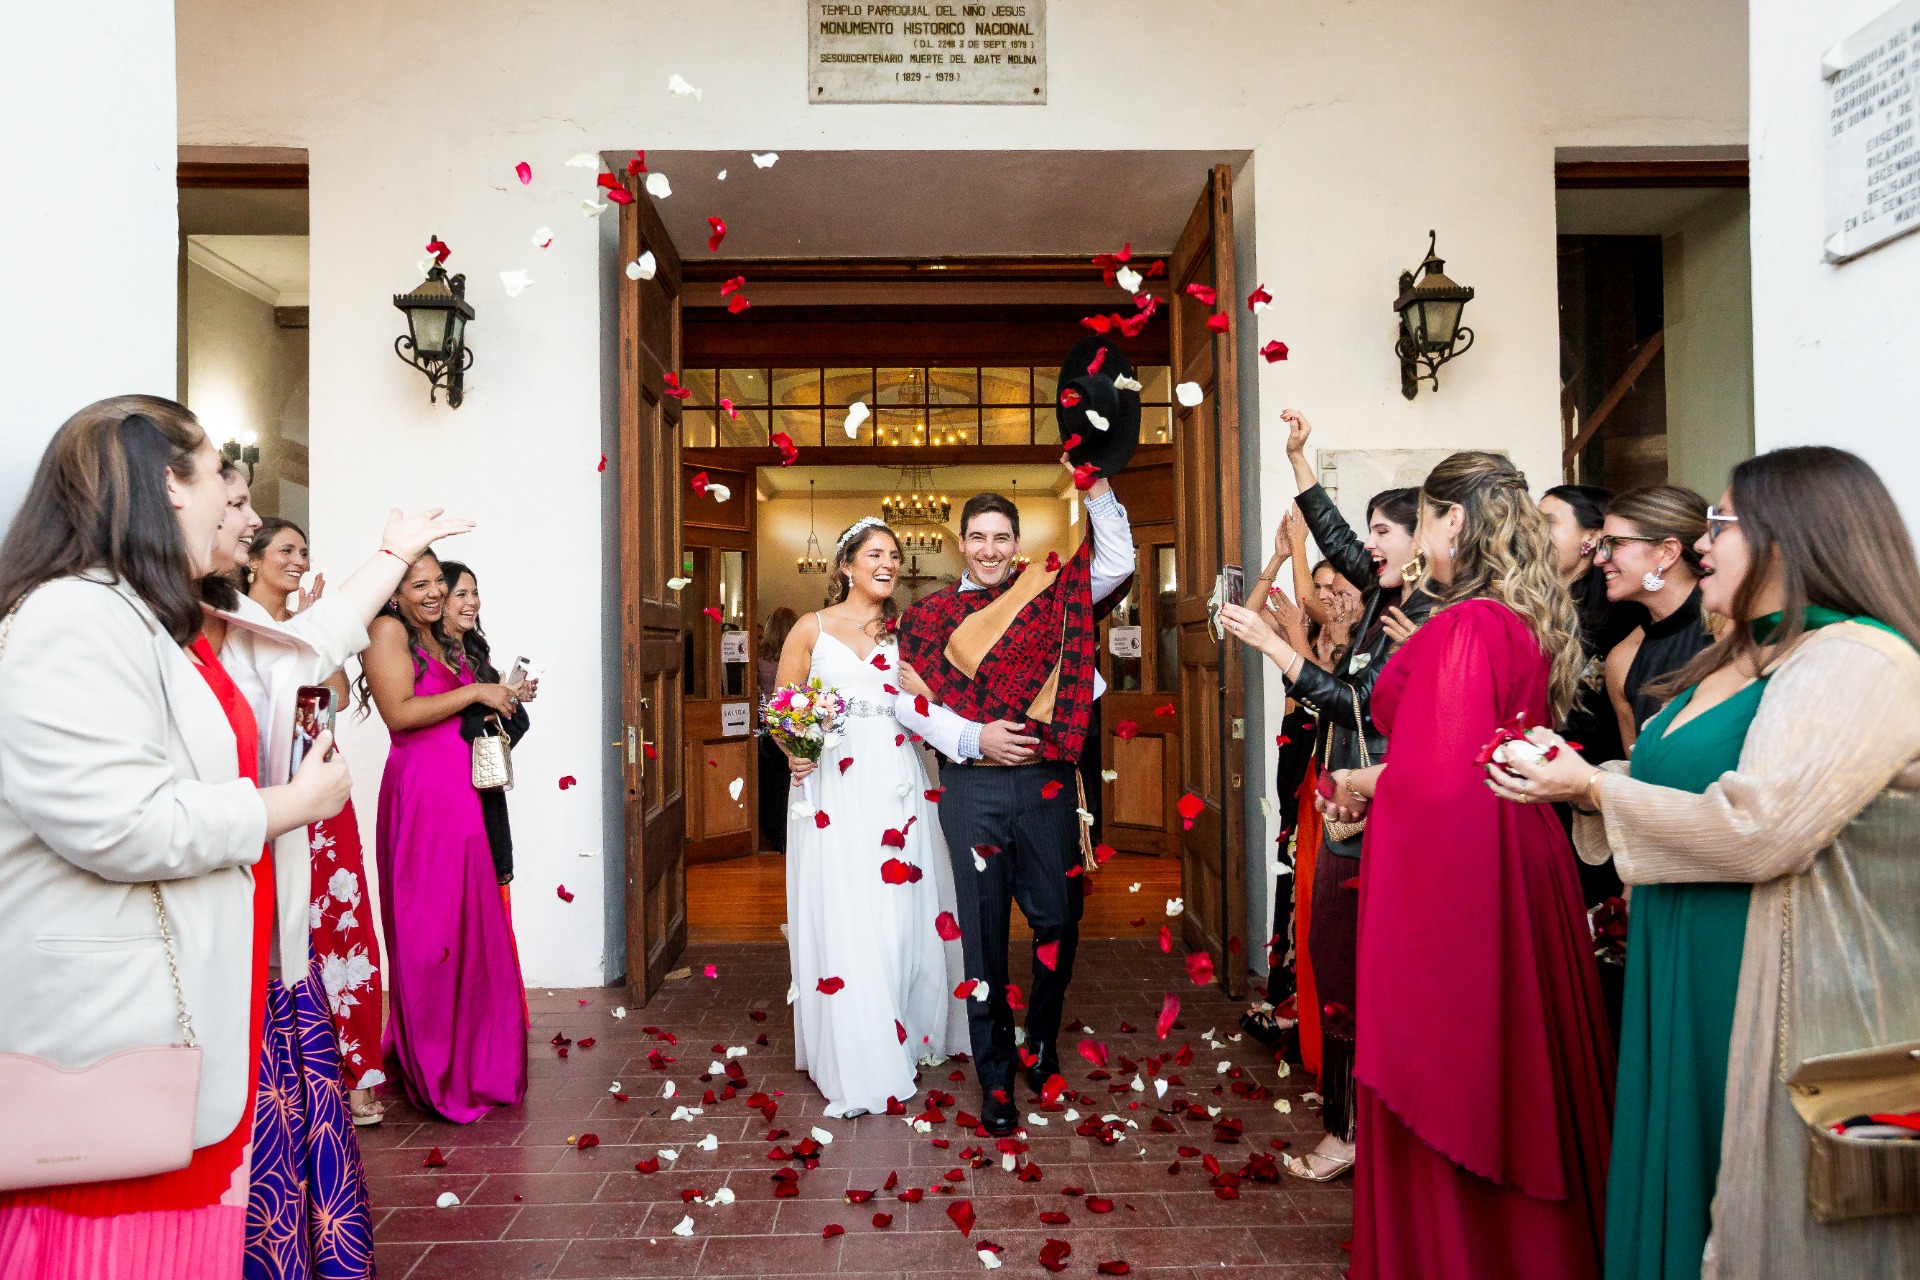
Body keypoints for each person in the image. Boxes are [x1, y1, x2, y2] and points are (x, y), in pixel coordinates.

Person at [1490, 446, 1920, 1279]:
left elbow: (1761, 828)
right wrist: (1582, 785)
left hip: (1761, 976)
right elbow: (1686, 784)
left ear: (1790, 538)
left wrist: (1594, 788)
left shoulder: (1856, 659)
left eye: (1721, 524)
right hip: (1685, 953)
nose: (1702, 544)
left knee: (1749, 1196)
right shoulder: (1756, 654)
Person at [0, 396, 352, 1278]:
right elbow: (120, 822)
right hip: (112, 1033)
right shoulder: (72, 616)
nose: (238, 499)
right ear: (169, 486)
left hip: (181, 1013)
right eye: (223, 477)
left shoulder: (140, 616)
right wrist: (288, 804)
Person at [1320, 451, 1614, 1279]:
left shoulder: (1466, 625)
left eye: (1422, 519)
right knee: (1520, 1065)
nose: (1419, 542)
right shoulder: (1517, 618)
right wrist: (1380, 782)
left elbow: (1441, 783)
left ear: (1452, 518)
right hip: (1519, 853)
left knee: (1457, 1065)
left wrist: (1364, 791)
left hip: (1465, 871)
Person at [1219, 407, 1438, 1183]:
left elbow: (1354, 704)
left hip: (1387, 820)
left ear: (1425, 540)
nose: (1364, 545)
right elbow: (1335, 537)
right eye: (1366, 531)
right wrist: (1298, 459)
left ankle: (1351, 1134)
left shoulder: (1426, 614)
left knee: (1355, 976)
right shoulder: (1385, 595)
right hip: (1348, 817)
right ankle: (1356, 1122)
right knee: (1338, 969)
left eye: (1382, 531)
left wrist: (1275, 647)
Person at [897, 450, 1136, 1138]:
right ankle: (996, 1075)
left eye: (1001, 537)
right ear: (959, 542)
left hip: (1044, 780)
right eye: (978, 537)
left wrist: (1096, 485)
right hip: (970, 785)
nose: (990, 549)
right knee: (983, 939)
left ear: (1017, 543)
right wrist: (976, 738)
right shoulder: (929, 616)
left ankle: (1042, 1042)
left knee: (1059, 918)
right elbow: (908, 704)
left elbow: (1117, 562)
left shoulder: (1049, 592)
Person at [773, 520, 971, 1117]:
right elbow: (783, 708)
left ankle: (902, 1026)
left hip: (897, 779)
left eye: (894, 555)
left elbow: (932, 708)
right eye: (875, 554)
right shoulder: (811, 629)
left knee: (899, 911)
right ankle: (855, 1045)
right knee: (846, 905)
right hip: (832, 784)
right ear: (846, 565)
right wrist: (794, 751)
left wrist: (926, 692)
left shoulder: (908, 631)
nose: (888, 564)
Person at [360, 550, 528, 1123]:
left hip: (462, 794)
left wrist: (498, 695)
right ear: (394, 591)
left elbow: (457, 711)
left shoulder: (438, 636)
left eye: (438, 582)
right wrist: (478, 693)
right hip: (424, 796)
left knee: (469, 922)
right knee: (429, 930)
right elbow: (400, 713)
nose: (434, 592)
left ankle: (474, 1061)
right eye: (420, 584)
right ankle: (435, 1066)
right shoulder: (386, 631)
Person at [243, 517, 391, 1122]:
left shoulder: (310, 623)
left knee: (340, 919)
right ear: (252, 560)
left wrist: (314, 635)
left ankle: (357, 1072)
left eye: (304, 551)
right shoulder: (233, 626)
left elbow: (337, 701)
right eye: (286, 550)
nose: (299, 561)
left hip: (322, 790)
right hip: (263, 793)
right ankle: (285, 1074)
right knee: (273, 926)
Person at [1539, 483, 1643, 1043]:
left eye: (1549, 522)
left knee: (1596, 946)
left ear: (1591, 538)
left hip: (1598, 801)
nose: (1535, 534)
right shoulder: (1538, 601)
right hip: (1546, 793)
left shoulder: (1618, 616)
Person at [440, 560, 537, 887]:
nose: (472, 602)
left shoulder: (474, 655)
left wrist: (509, 698)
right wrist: (485, 700)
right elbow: (436, 719)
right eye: (461, 594)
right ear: (440, 600)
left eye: (475, 593)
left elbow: (496, 732)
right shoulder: (431, 658)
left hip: (481, 781)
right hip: (449, 780)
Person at [1597, 485, 1712, 747]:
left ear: (1667, 552)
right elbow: (1638, 767)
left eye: (1614, 543)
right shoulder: (1623, 660)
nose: (1599, 560)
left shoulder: (1731, 629)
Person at [757, 606, 798, 853]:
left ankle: (771, 830)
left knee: (770, 778)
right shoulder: (797, 656)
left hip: (766, 719)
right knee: (788, 778)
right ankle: (787, 834)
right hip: (792, 719)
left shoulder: (761, 656)